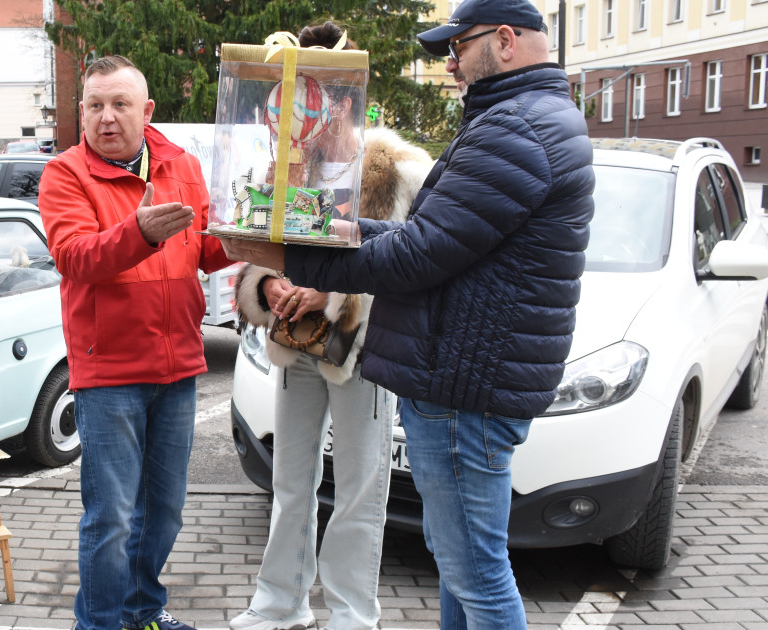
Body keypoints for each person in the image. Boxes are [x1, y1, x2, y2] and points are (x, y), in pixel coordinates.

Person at [219, 0, 596, 627]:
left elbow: (419, 251)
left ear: (504, 41)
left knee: (473, 571)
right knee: (463, 568)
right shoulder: (522, 121)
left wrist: (306, 261)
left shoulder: (512, 130)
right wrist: (307, 254)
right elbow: (432, 238)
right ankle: (280, 601)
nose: (449, 64)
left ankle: (348, 611)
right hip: (454, 372)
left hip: (459, 382)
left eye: (458, 46)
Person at [229, 23, 433, 630]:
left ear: (342, 100)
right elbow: (255, 261)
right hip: (296, 347)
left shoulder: (400, 172)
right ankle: (280, 602)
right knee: (291, 483)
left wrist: (332, 293)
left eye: (310, 97)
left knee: (360, 492)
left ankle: (350, 614)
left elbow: (417, 264)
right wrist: (268, 287)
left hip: (364, 352)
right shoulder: (286, 170)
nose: (295, 116)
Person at [37, 55, 233, 630]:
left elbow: (208, 248)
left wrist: (252, 231)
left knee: (164, 512)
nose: (105, 117)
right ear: (82, 112)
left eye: (119, 104)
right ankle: (99, 624)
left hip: (177, 367)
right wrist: (138, 233)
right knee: (112, 518)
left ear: (145, 111)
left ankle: (143, 611)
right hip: (110, 376)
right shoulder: (66, 174)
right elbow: (74, 256)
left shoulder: (184, 167)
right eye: (94, 105)